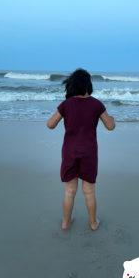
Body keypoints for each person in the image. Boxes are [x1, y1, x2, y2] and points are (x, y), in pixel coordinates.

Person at [47, 68, 115, 231]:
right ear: (88, 85)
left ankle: (65, 223)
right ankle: (93, 223)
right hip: (89, 153)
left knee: (70, 191)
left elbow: (50, 124)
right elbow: (110, 126)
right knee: (89, 191)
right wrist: (111, 118)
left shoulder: (66, 105)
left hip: (70, 152)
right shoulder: (96, 104)